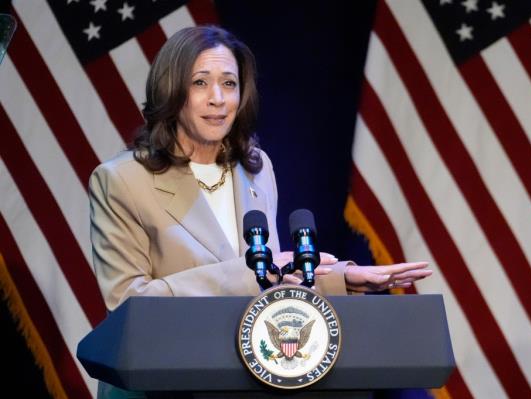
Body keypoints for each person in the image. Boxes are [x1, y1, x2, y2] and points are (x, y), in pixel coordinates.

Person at [89, 25, 432, 398]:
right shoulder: (122, 180)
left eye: (229, 84)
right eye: (201, 83)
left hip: (246, 378)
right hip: (160, 385)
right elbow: (127, 307)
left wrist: (344, 278)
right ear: (171, 90)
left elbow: (269, 279)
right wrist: (247, 276)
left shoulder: (255, 168)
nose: (218, 99)